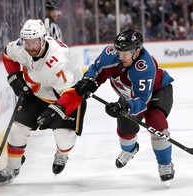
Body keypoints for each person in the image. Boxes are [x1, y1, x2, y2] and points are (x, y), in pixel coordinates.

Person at [75, 28, 175, 183]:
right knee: (125, 128)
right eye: (119, 52)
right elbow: (96, 70)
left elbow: (142, 101)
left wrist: (125, 106)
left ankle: (165, 164)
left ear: (137, 51)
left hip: (157, 91)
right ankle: (130, 149)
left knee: (156, 122)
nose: (121, 56)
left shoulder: (145, 67)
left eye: (125, 53)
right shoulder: (111, 54)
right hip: (130, 97)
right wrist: (88, 81)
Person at [0, 19, 86, 185]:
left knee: (64, 136)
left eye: (34, 42)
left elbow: (73, 93)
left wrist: (57, 109)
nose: (30, 47)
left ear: (43, 39)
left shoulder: (59, 60)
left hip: (68, 97)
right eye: (27, 42)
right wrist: (14, 76)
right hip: (37, 95)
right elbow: (7, 54)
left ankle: (62, 154)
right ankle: (13, 168)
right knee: (17, 128)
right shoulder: (22, 48)